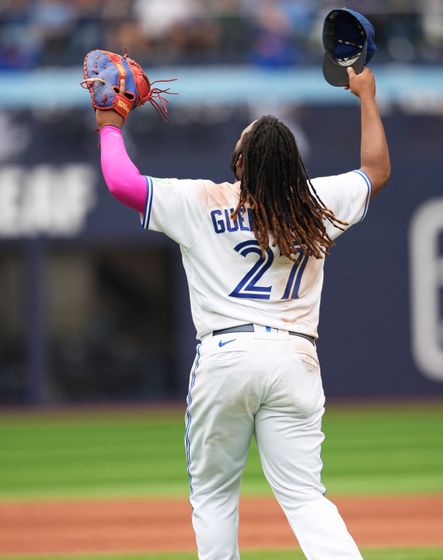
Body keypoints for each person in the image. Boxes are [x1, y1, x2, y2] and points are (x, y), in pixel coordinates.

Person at [95, 66, 389, 559]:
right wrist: (366, 95)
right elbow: (376, 171)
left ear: (239, 160)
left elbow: (122, 183)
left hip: (226, 354)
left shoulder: (200, 201)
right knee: (304, 497)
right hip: (295, 360)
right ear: (290, 164)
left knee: (213, 497)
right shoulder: (314, 204)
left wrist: (109, 124)